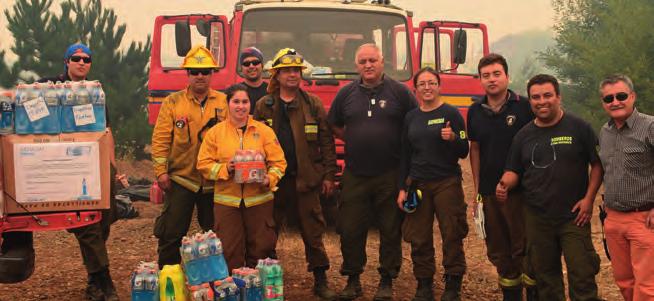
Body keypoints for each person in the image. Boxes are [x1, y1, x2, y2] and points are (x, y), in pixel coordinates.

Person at [496, 74, 603, 301]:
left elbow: (597, 165)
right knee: (546, 278)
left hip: (573, 217)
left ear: (558, 97)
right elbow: (514, 170)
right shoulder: (523, 135)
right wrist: (504, 183)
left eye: (547, 95)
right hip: (537, 217)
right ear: (530, 101)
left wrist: (589, 199)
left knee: (582, 275)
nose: (542, 101)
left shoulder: (579, 127)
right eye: (535, 97)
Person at [328, 43, 417, 301]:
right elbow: (334, 124)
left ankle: (386, 281)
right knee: (350, 229)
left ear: (382, 62)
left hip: (390, 173)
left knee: (390, 230)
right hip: (355, 174)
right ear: (356, 65)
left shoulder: (400, 93)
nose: (368, 65)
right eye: (363, 61)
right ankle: (353, 281)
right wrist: (355, 137)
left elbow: (414, 125)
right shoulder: (346, 95)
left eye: (372, 60)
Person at [253, 48, 338, 300]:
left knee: (313, 232)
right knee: (267, 231)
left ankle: (320, 280)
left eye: (296, 70)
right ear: (276, 75)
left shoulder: (312, 104)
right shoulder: (263, 106)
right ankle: (267, 277)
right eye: (287, 70)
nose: (292, 74)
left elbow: (327, 142)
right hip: (273, 181)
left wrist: (329, 176)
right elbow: (252, 142)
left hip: (306, 180)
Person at [37, 43, 119, 301]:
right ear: (67, 61)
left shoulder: (95, 93)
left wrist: (113, 167)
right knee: (87, 223)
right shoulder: (50, 85)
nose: (82, 62)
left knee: (104, 219)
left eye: (86, 59)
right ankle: (104, 279)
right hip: (66, 165)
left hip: (96, 161)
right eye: (76, 58)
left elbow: (107, 131)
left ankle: (94, 280)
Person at [466, 53, 536, 300]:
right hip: (489, 190)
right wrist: (477, 190)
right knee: (499, 249)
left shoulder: (525, 107)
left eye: (497, 74)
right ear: (481, 80)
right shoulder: (474, 111)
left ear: (507, 76)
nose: (492, 80)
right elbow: (475, 149)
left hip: (522, 192)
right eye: (486, 76)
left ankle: (535, 294)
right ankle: (511, 295)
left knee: (525, 247)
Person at [151, 45, 228, 268]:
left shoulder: (224, 102)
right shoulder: (173, 103)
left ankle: (218, 281)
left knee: (217, 236)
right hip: (181, 179)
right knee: (171, 233)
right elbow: (161, 139)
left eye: (205, 71)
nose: (200, 76)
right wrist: (161, 172)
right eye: (195, 71)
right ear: (188, 74)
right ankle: (169, 276)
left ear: (212, 74)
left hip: (215, 181)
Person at [397, 67, 469, 301]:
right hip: (418, 183)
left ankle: (452, 284)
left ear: (439, 86)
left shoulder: (451, 113)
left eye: (432, 83)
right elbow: (405, 156)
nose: (427, 87)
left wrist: (453, 138)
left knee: (452, 233)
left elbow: (464, 150)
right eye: (422, 83)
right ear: (415, 88)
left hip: (446, 182)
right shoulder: (411, 117)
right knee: (419, 236)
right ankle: (424, 284)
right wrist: (401, 188)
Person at [197, 84, 286, 270]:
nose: (241, 106)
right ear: (227, 103)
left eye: (245, 101)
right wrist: (225, 168)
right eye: (236, 101)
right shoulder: (216, 133)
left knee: (261, 250)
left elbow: (279, 163)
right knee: (229, 251)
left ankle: (257, 291)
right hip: (227, 203)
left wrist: (269, 179)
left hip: (259, 201)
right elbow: (203, 164)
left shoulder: (264, 131)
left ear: (250, 104)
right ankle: (234, 291)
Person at [598, 74, 654, 301]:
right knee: (624, 282)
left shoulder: (649, 126)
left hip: (644, 220)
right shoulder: (605, 132)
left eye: (621, 96)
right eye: (608, 98)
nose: (615, 102)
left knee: (647, 287)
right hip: (613, 220)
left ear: (632, 96)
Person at [231, 46, 268, 113]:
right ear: (241, 68)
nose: (251, 66)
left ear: (262, 65)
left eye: (255, 62)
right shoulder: (234, 92)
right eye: (246, 64)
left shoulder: (272, 90)